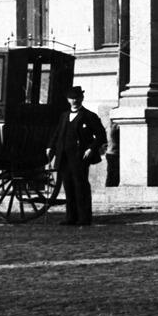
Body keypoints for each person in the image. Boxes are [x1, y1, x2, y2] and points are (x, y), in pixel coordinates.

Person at [48, 86, 108, 226]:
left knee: (80, 186)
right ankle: (71, 217)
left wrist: (91, 149)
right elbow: (57, 133)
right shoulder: (64, 116)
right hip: (64, 155)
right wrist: (50, 146)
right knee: (68, 186)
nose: (74, 101)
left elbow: (101, 136)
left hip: (80, 156)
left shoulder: (89, 116)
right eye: (71, 98)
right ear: (68, 100)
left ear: (81, 99)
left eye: (76, 98)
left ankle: (84, 218)